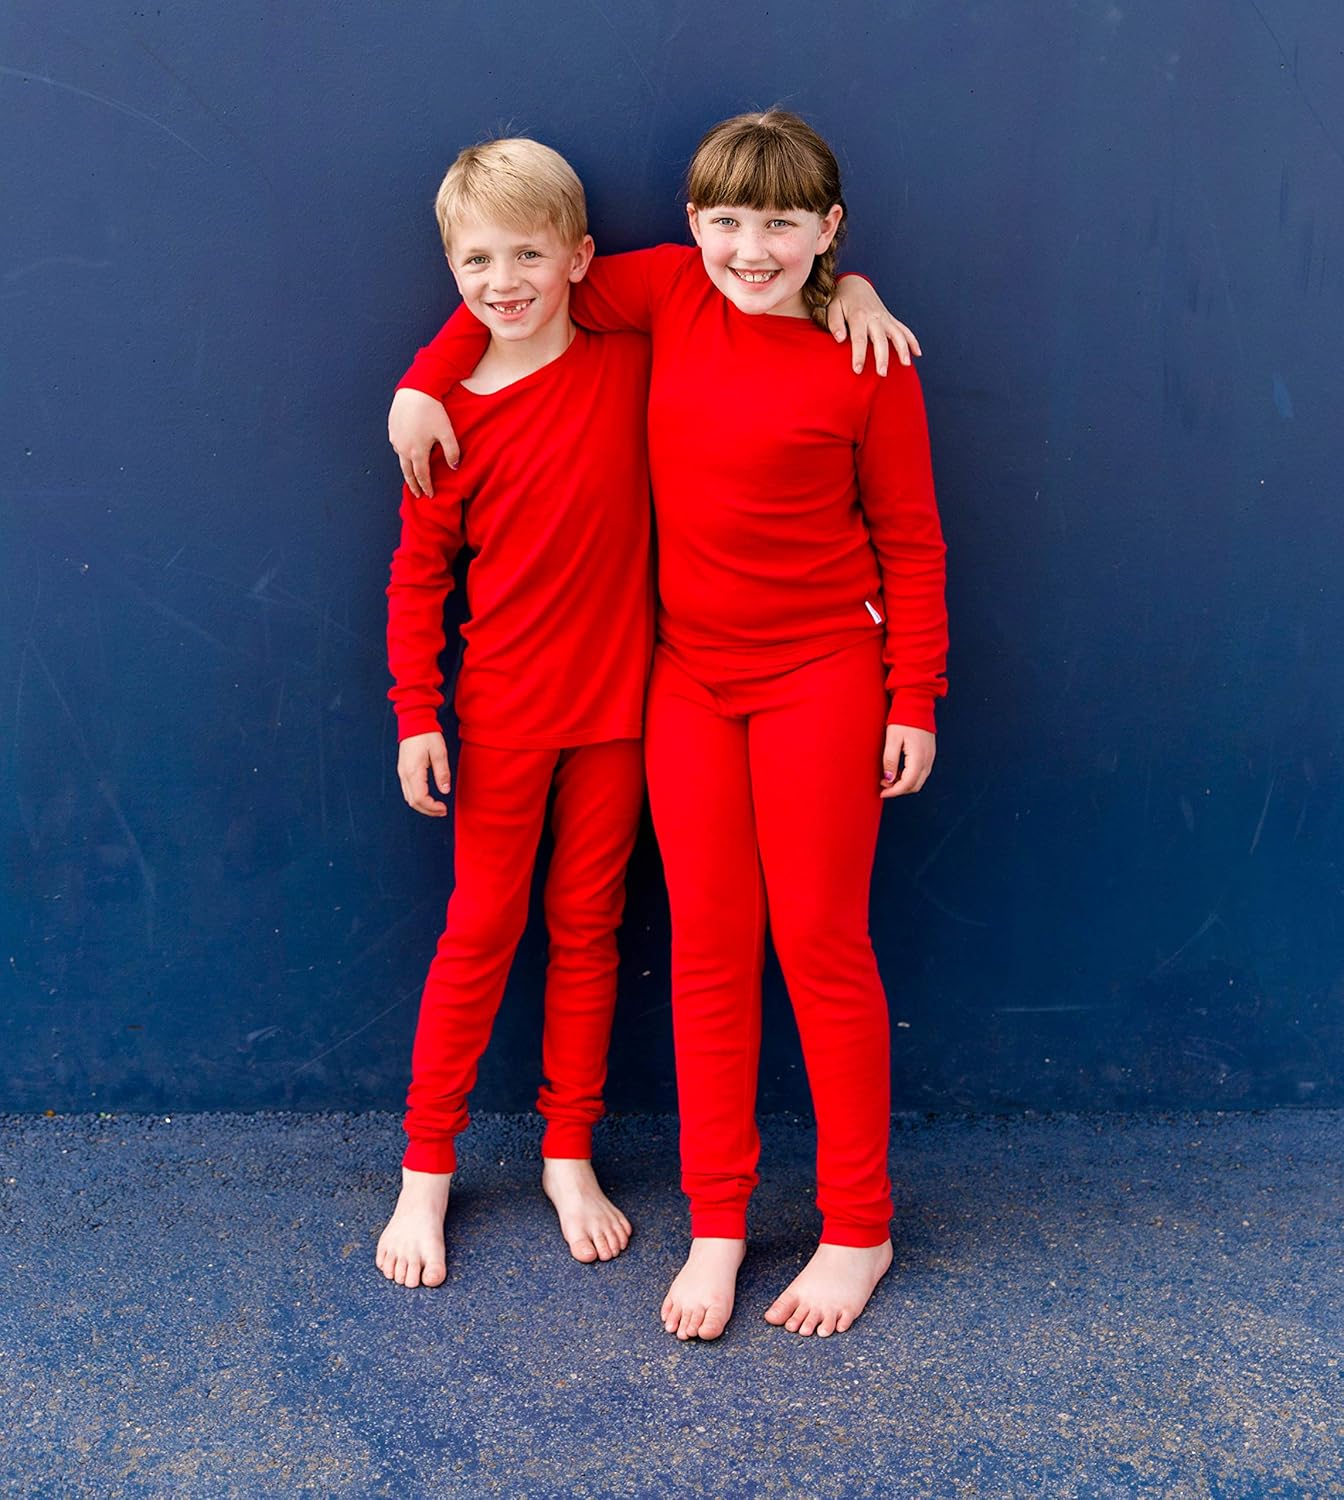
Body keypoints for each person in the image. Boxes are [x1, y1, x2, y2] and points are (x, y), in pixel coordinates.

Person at [388, 110, 946, 1340]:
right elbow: (518, 285)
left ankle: (859, 1227)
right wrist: (423, 379)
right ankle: (719, 1224)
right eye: (727, 222)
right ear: (694, 225)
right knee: (706, 951)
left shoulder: (868, 358)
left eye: (782, 227)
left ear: (828, 230)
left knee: (820, 944)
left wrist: (916, 694)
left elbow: (911, 539)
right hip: (683, 684)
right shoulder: (666, 291)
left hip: (821, 676)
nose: (751, 250)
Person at [376, 137, 655, 1289]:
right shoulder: (443, 422)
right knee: (482, 931)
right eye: (478, 260)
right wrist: (417, 715)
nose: (504, 280)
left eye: (530, 255)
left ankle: (567, 1153)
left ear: (578, 258)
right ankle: (425, 1170)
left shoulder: (632, 359)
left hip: (623, 713)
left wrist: (860, 289)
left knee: (589, 929)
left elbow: (751, 284)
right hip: (501, 718)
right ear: (452, 268)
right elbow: (416, 583)